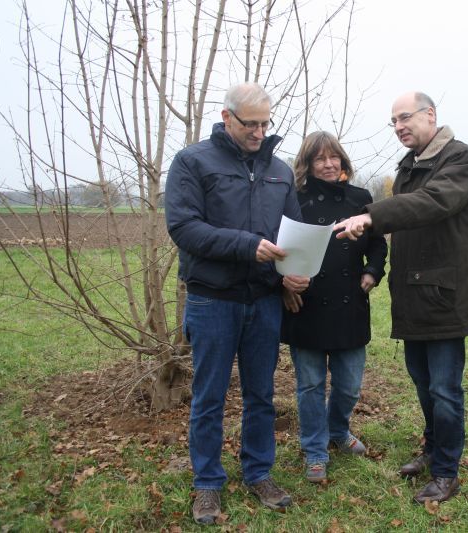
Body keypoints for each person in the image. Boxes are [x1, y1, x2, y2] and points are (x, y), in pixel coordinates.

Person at [165, 82, 310, 525]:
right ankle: (208, 484)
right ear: (227, 117)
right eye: (251, 123)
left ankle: (259, 472)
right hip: (213, 300)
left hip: (264, 300)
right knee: (209, 397)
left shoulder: (281, 171)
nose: (260, 132)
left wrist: (294, 273)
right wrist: (248, 245)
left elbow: (294, 231)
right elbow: (184, 228)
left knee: (261, 395)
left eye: (266, 123)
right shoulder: (193, 162)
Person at [333, 92, 468, 504]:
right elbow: (408, 213)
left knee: (445, 390)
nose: (399, 126)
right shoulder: (408, 166)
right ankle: (434, 449)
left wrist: (372, 215)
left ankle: (447, 472)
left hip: (445, 296)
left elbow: (433, 202)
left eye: (405, 118)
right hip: (414, 296)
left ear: (430, 115)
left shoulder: (460, 160)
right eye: (393, 121)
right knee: (423, 384)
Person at [281, 131, 388, 483]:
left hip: (349, 304)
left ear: (342, 160)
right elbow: (278, 246)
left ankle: (338, 431)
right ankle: (315, 448)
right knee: (310, 385)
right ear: (308, 164)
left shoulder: (360, 198)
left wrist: (373, 272)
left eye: (334, 157)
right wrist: (282, 282)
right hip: (306, 305)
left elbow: (378, 246)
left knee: (348, 386)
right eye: (319, 159)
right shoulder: (293, 199)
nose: (328, 164)